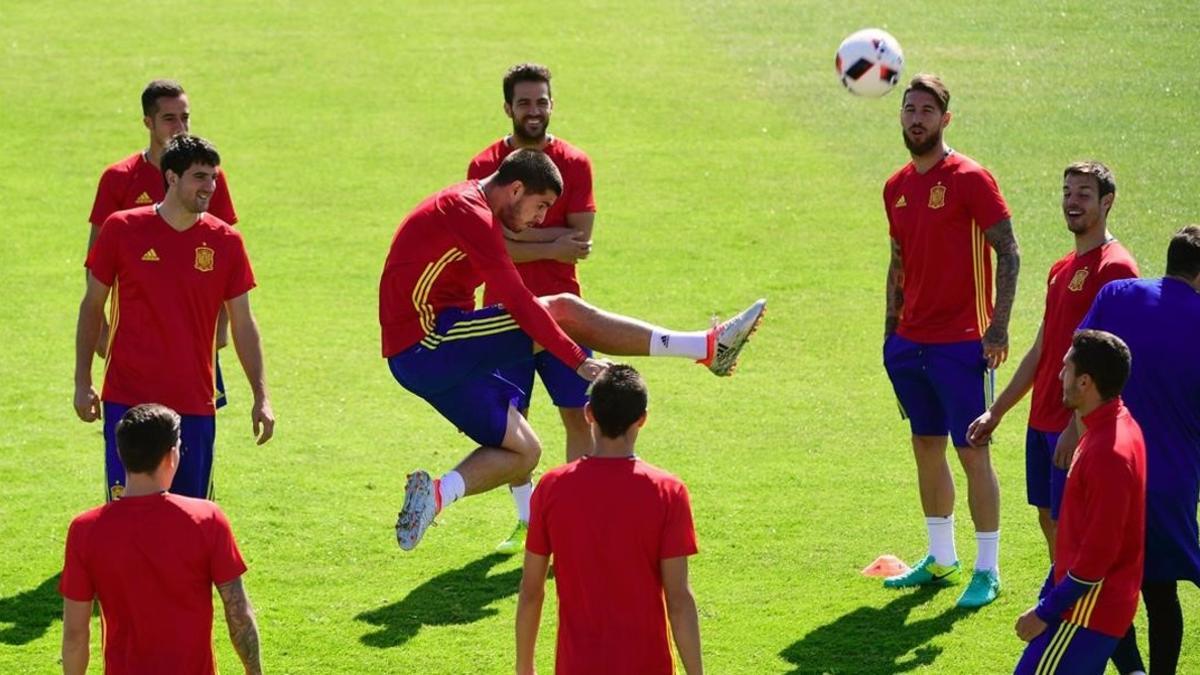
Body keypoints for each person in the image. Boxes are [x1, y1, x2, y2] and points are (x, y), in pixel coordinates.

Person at [380, 148, 764, 551]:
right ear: (515, 189)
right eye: (540, 205)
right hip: (429, 341)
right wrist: (579, 361)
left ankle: (436, 495)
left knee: (524, 452)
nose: (541, 219)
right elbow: (518, 300)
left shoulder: (475, 209)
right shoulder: (468, 212)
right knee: (561, 308)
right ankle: (705, 347)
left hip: (419, 359)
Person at [880, 73, 1021, 607]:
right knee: (925, 446)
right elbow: (897, 266)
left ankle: (987, 569)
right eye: (909, 109)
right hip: (909, 343)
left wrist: (999, 326)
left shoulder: (970, 178)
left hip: (963, 343)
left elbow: (1007, 251)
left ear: (945, 119)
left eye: (926, 111)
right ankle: (941, 559)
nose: (916, 118)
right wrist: (888, 337)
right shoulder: (895, 187)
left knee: (972, 450)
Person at [74, 134, 274, 501]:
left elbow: (244, 323)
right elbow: (92, 305)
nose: (210, 187)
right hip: (127, 399)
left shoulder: (226, 242)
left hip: (194, 402)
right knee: (126, 515)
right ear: (171, 178)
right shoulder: (122, 229)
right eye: (200, 176)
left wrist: (261, 396)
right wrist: (82, 380)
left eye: (213, 177)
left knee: (191, 516)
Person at [967, 162, 1138, 557]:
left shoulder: (1116, 267)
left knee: (1073, 522)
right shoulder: (1061, 268)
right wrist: (997, 411)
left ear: (1107, 201)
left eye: (1083, 194)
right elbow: (1042, 350)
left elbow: (1112, 363)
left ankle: (1078, 609)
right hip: (1041, 417)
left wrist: (1076, 427)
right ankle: (1063, 604)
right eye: (1067, 192)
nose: (1072, 202)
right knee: (1049, 518)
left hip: (1074, 424)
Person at [466, 63, 598, 554]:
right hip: (502, 315)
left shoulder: (576, 163)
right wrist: (550, 242)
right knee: (510, 423)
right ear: (507, 108)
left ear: (551, 104)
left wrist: (518, 238)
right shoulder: (483, 166)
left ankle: (576, 519)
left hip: (564, 315)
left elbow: (580, 242)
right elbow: (489, 247)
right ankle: (527, 521)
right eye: (524, 102)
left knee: (578, 417)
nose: (534, 111)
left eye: (541, 101)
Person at [515, 365, 702, 675]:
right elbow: (679, 599)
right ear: (642, 418)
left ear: (589, 413)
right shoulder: (668, 491)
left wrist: (525, 669)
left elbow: (531, 590)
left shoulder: (551, 488)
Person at [1074, 225, 1200, 674]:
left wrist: (1072, 436)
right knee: (1161, 592)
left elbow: (1076, 364)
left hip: (1108, 465)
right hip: (1172, 480)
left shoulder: (1116, 295)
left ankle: (1132, 671)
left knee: (1105, 585)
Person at [59, 404, 262, 675]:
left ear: (120, 453)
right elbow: (239, 614)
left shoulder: (86, 529)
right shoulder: (206, 519)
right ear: (171, 455)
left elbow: (75, 634)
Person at [87, 79, 239, 406]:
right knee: (136, 434)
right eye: (170, 118)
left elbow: (227, 259)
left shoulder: (209, 177)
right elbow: (95, 263)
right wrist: (101, 329)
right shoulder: (119, 177)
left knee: (196, 427)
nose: (180, 126)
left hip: (194, 334)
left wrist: (221, 327)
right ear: (148, 122)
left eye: (185, 117)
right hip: (136, 340)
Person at [1013, 330, 1146, 675]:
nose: (1059, 376)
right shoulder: (1114, 424)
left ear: (1085, 382)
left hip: (1087, 612)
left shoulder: (1108, 454)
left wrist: (1044, 612)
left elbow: (1096, 559)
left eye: (1066, 369)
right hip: (1088, 606)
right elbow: (1080, 534)